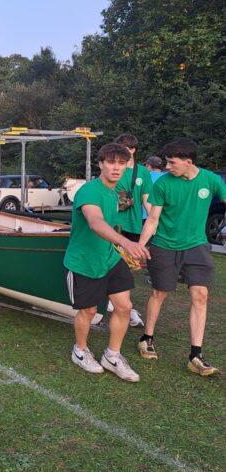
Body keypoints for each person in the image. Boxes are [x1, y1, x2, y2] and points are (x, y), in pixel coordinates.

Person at [137, 138, 226, 376]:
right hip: (165, 245)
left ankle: (195, 355)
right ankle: (147, 337)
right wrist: (139, 246)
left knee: (201, 295)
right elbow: (153, 220)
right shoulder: (163, 184)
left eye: (171, 162)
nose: (167, 167)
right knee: (160, 292)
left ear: (188, 162)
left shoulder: (211, 180)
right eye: (166, 162)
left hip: (197, 245)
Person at [64, 143, 150, 382]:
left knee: (124, 307)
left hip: (109, 258)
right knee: (89, 310)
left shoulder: (116, 193)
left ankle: (112, 356)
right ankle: (80, 351)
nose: (116, 168)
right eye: (111, 162)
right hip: (84, 261)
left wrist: (121, 248)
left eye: (121, 163)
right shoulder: (90, 191)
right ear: (100, 164)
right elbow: (95, 222)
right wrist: (126, 243)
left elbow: (112, 225)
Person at [113, 134, 153, 242]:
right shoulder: (113, 169)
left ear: (133, 150)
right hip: (113, 224)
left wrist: (153, 222)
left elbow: (147, 200)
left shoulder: (142, 171)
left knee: (133, 258)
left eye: (123, 149)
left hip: (134, 225)